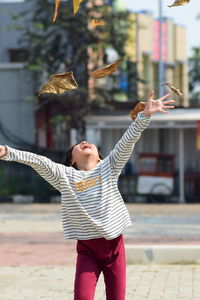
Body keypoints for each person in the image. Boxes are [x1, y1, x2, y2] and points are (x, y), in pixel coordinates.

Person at [0, 91, 175, 300]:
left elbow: (128, 141)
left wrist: (144, 116)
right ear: (72, 160)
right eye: (78, 145)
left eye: (90, 144)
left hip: (114, 246)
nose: (84, 142)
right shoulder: (64, 176)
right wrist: (6, 151)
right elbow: (38, 161)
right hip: (87, 250)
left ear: (100, 158)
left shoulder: (109, 168)